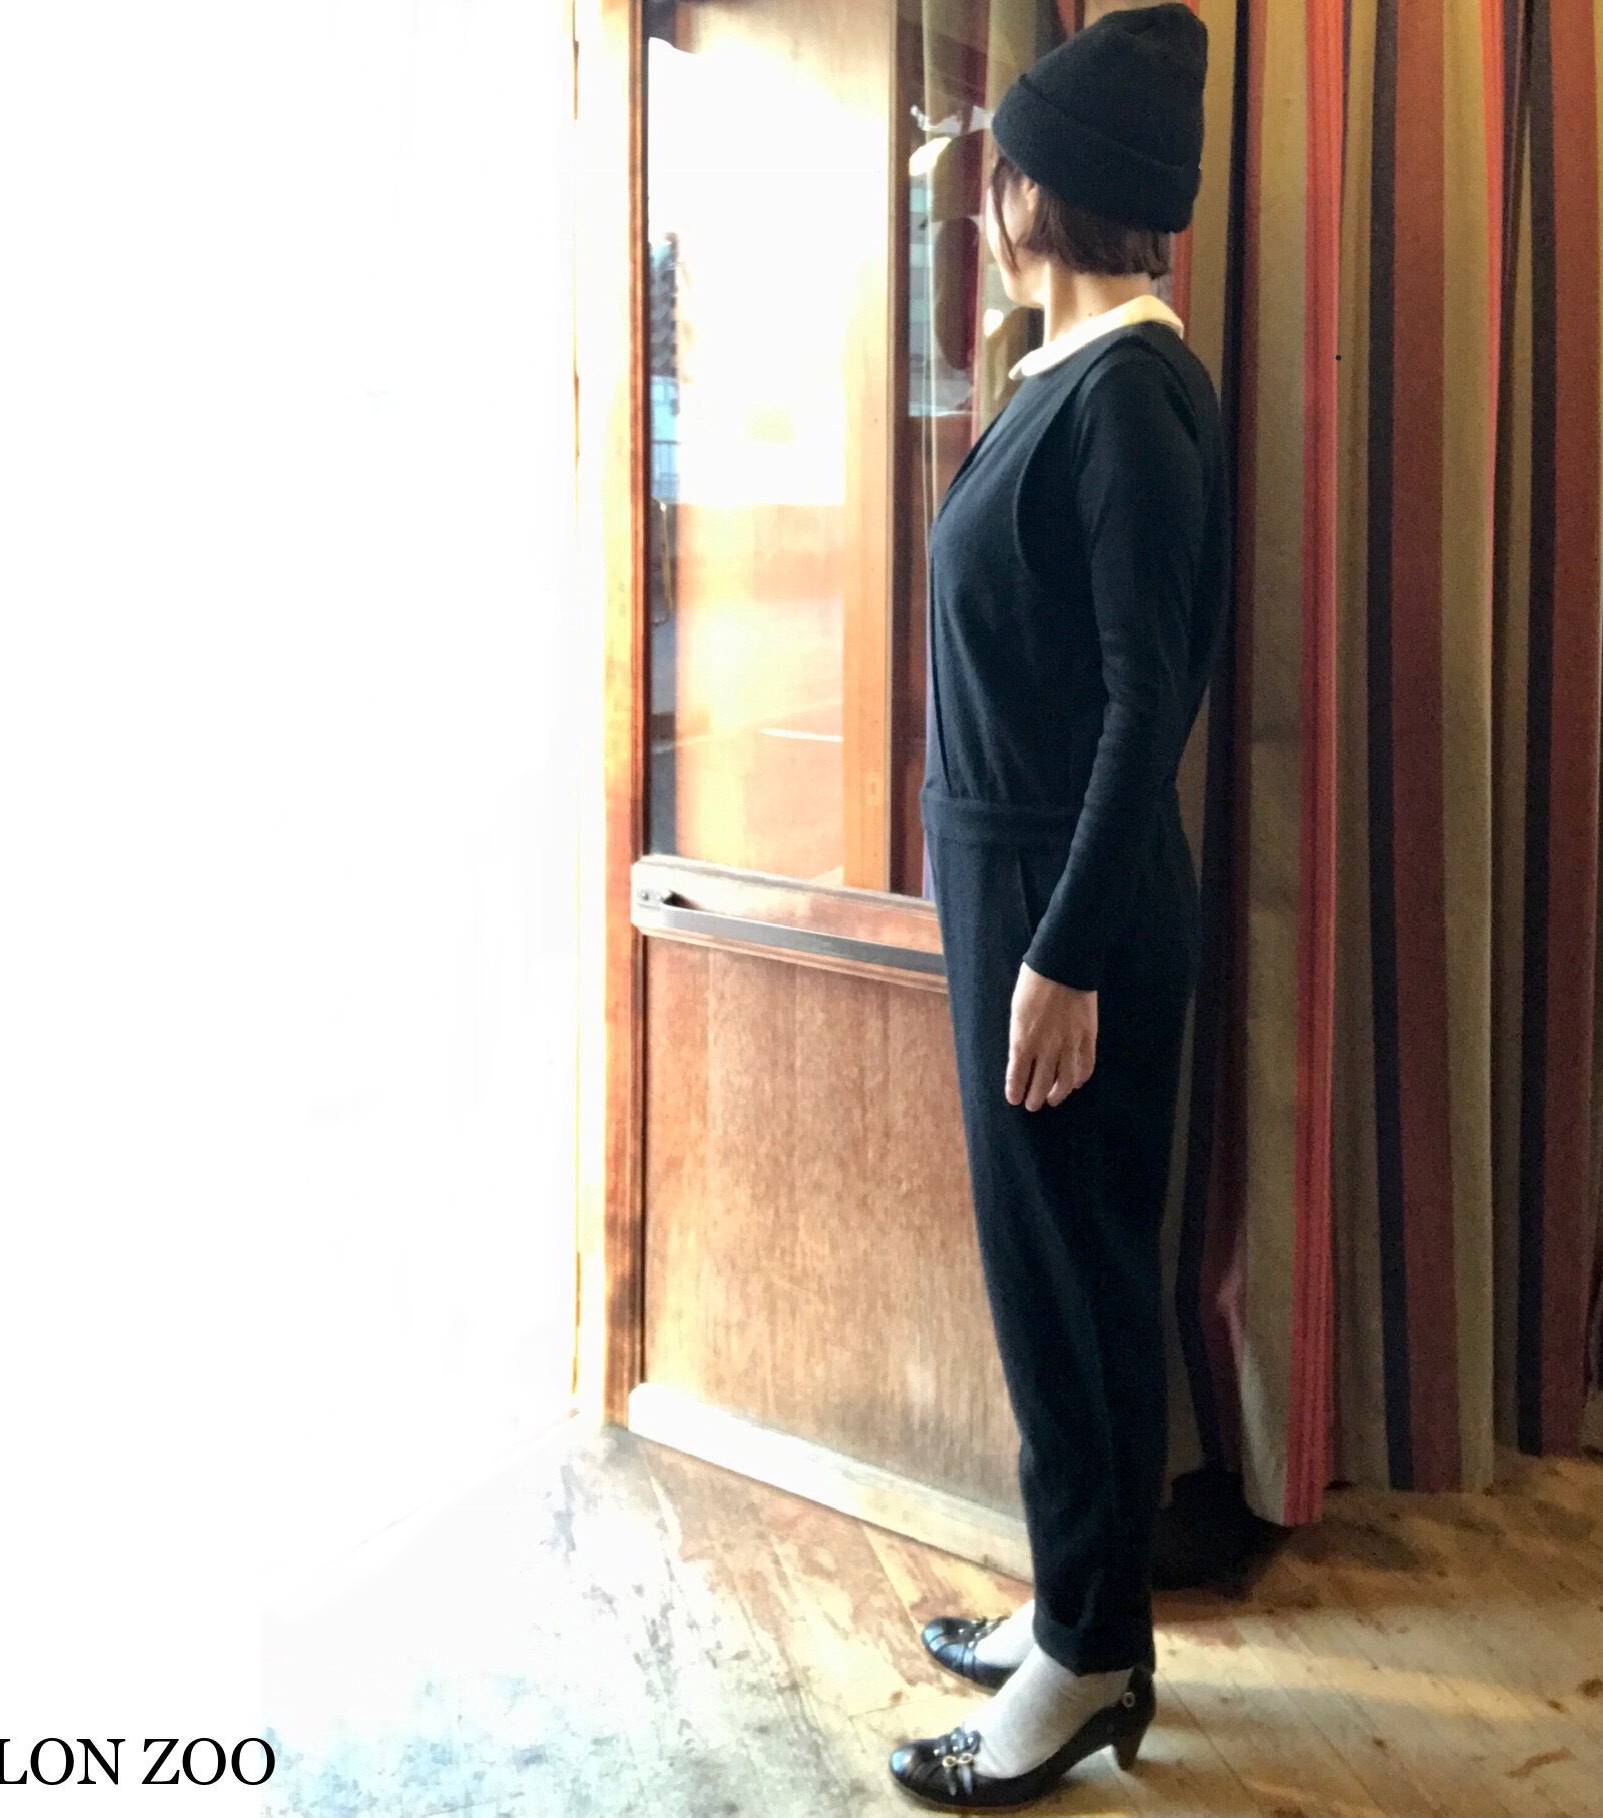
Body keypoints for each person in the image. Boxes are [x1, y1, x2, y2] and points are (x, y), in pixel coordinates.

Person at [889, 5, 1230, 1810]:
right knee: (1053, 1274)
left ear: (1047, 189)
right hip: (1018, 882)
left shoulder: (1131, 402)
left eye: (998, 168)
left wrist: (1063, 952)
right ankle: (1076, 1608)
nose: (980, 195)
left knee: (1071, 1282)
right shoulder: (1062, 378)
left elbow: (1141, 704)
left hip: (1059, 900)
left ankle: (1087, 1661)